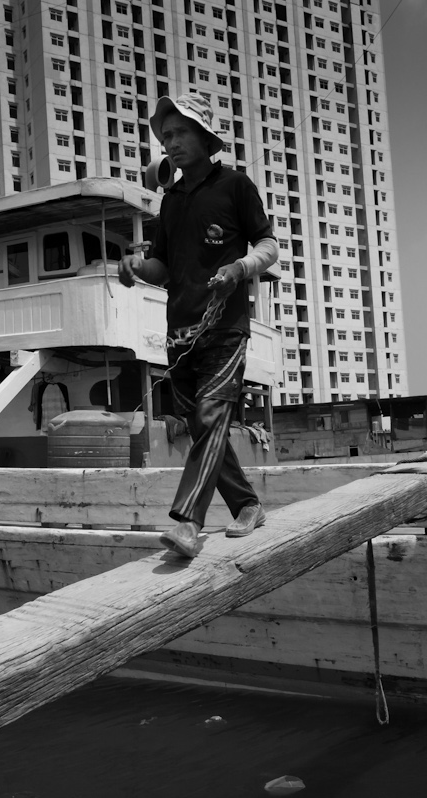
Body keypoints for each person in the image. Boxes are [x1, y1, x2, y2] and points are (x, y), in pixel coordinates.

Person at [118, 93, 279, 558]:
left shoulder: (235, 186)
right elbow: (162, 268)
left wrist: (239, 269)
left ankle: (188, 522)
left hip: (225, 326)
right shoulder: (171, 203)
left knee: (209, 418)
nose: (171, 143)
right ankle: (248, 505)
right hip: (179, 334)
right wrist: (136, 268)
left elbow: (268, 245)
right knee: (203, 428)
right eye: (166, 136)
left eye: (180, 132)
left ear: (205, 138)